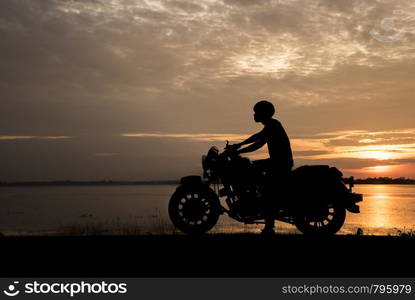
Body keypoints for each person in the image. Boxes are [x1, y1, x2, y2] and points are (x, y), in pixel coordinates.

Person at [230, 100, 293, 235]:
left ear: (263, 113)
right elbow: (258, 139)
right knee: (250, 167)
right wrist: (238, 146)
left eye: (256, 112)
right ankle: (253, 198)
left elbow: (257, 141)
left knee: (267, 191)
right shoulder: (270, 125)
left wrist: (238, 149)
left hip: (280, 163)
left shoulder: (273, 125)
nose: (254, 115)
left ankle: (269, 226)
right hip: (277, 161)